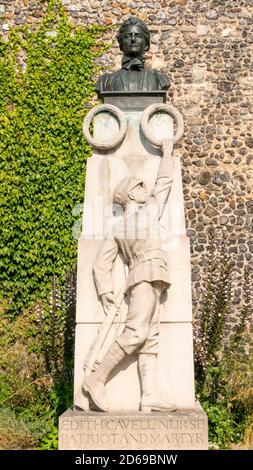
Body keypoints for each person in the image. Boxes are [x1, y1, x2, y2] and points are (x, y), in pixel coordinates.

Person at [82, 139, 176, 412]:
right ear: (131, 196)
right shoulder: (147, 214)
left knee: (151, 336)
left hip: (151, 277)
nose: (143, 190)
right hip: (145, 277)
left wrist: (105, 291)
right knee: (136, 333)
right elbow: (164, 182)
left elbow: (101, 264)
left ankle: (149, 396)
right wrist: (167, 154)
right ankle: (96, 379)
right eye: (138, 187)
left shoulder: (119, 228)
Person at [96, 16, 170, 96]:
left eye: (138, 35)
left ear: (146, 45)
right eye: (128, 36)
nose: (133, 39)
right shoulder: (106, 81)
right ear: (121, 45)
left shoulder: (159, 79)